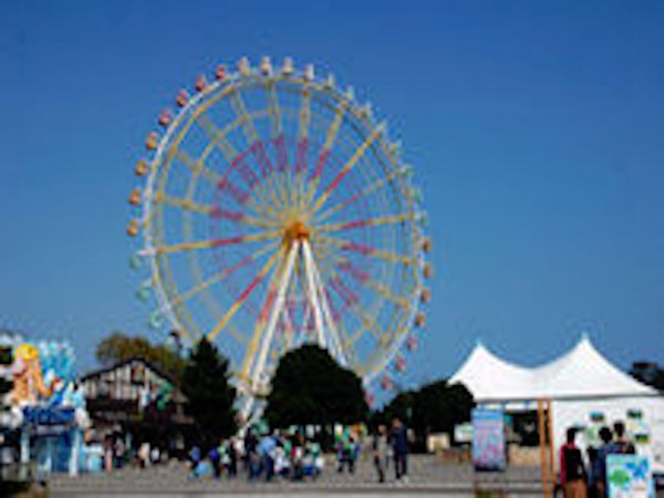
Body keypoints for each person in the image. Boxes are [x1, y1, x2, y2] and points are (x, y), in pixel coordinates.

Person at [559, 427, 587, 498]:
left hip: (569, 480)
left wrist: (562, 480)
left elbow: (563, 465)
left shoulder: (563, 449)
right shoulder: (577, 450)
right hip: (577, 480)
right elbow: (581, 465)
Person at [593, 426, 614, 498]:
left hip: (606, 481)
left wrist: (598, 481)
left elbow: (598, 468)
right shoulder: (617, 447)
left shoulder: (601, 450)